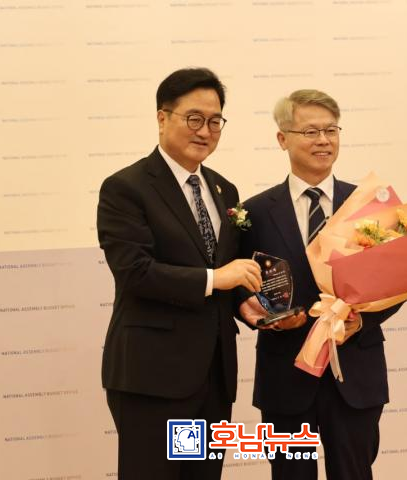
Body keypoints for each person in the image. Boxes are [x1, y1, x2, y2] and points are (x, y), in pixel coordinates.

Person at [97, 67, 262, 480]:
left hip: (213, 378)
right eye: (194, 118)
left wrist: (246, 305)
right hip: (153, 378)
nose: (205, 131)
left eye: (214, 121)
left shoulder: (224, 190)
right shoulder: (126, 187)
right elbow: (135, 272)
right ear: (162, 117)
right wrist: (216, 279)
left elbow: (226, 275)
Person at [238, 89, 404, 480]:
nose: (323, 140)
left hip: (354, 372)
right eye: (310, 131)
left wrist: (360, 321)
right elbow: (241, 288)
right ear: (283, 139)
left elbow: (397, 281)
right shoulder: (253, 212)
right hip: (286, 373)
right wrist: (261, 316)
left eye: (331, 130)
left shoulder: (366, 205)